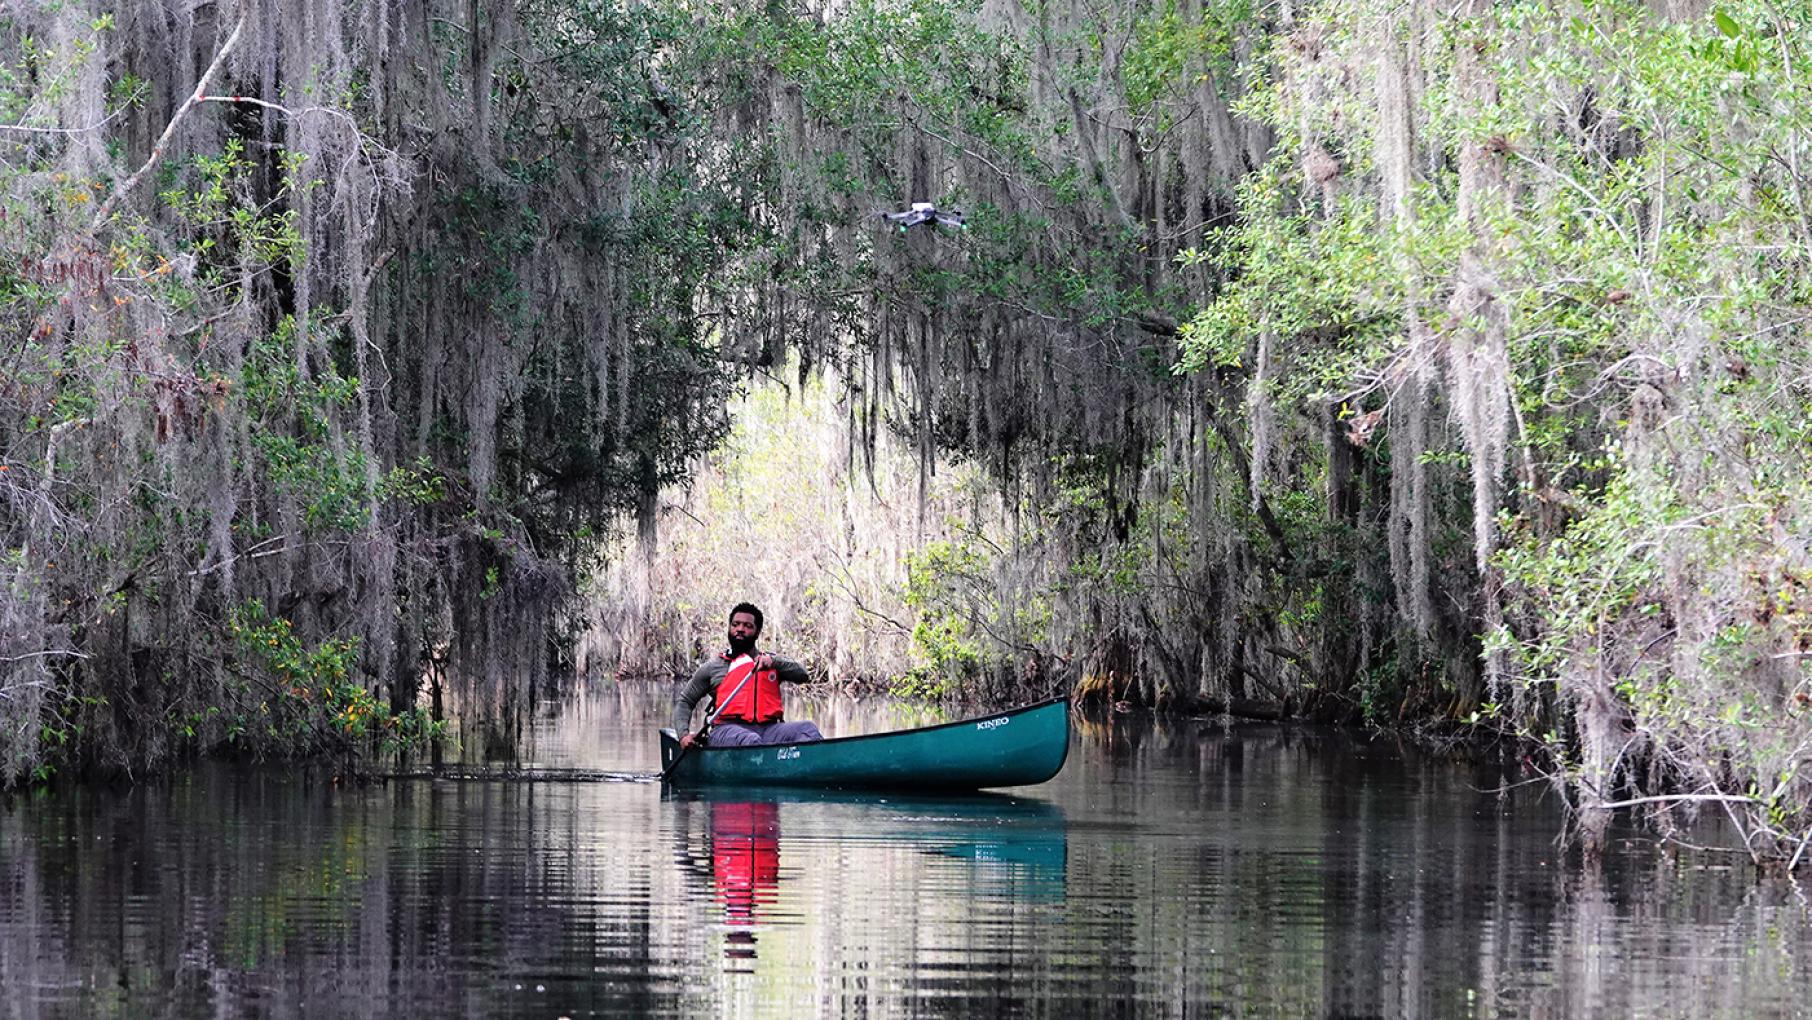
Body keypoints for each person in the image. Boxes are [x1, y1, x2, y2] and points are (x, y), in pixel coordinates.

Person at [673, 602, 823, 748]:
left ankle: (814, 770)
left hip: (769, 730)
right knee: (750, 740)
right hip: (726, 730)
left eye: (747, 626)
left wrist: (773, 662)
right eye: (735, 624)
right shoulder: (713, 667)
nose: (740, 629)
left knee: (807, 729)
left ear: (757, 632)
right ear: (729, 628)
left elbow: (803, 675)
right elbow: (685, 702)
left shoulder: (770, 662)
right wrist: (683, 735)